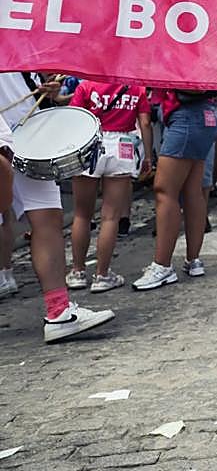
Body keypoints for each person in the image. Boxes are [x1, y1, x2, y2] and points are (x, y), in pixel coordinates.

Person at [0, 72, 116, 341]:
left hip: (29, 135)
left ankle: (59, 312)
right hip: (16, 135)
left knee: (49, 219)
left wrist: (42, 88)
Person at [67, 80, 153, 292]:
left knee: (81, 214)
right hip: (122, 145)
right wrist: (148, 156)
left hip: (89, 143)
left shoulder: (85, 85)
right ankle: (102, 275)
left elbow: (73, 119)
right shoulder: (136, 87)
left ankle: (77, 272)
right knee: (111, 216)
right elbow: (145, 123)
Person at [133, 87, 217, 290]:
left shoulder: (177, 54)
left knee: (165, 190)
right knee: (192, 190)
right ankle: (193, 260)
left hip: (185, 116)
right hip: (204, 114)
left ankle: (162, 266)